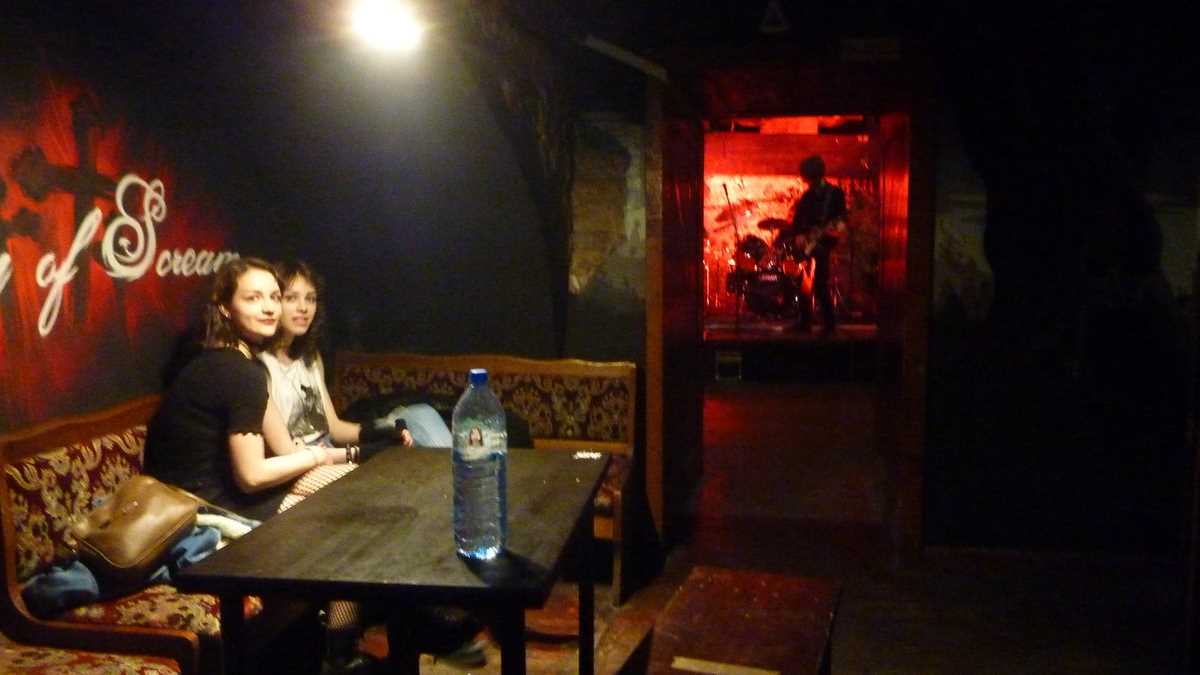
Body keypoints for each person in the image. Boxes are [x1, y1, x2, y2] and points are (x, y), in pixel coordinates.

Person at [145, 257, 351, 522]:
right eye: (253, 298)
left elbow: (277, 455)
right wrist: (315, 456)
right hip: (205, 508)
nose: (269, 308)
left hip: (202, 496)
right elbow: (251, 477)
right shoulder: (240, 372)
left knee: (352, 481)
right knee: (345, 501)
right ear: (225, 307)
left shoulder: (226, 358)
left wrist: (325, 456)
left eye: (275, 297)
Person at [260, 259, 451, 452]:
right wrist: (359, 453)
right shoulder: (260, 365)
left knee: (421, 414)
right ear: (273, 302)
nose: (304, 307)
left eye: (310, 299)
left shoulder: (310, 357)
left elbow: (334, 428)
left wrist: (382, 432)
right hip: (307, 460)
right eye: (291, 298)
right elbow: (282, 452)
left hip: (331, 451)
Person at [788, 155, 847, 336]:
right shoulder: (807, 196)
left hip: (825, 244)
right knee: (802, 282)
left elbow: (841, 220)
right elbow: (798, 221)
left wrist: (834, 231)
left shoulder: (835, 194)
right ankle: (805, 322)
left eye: (807, 177)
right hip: (809, 243)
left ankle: (829, 325)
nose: (806, 181)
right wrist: (799, 235)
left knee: (820, 283)